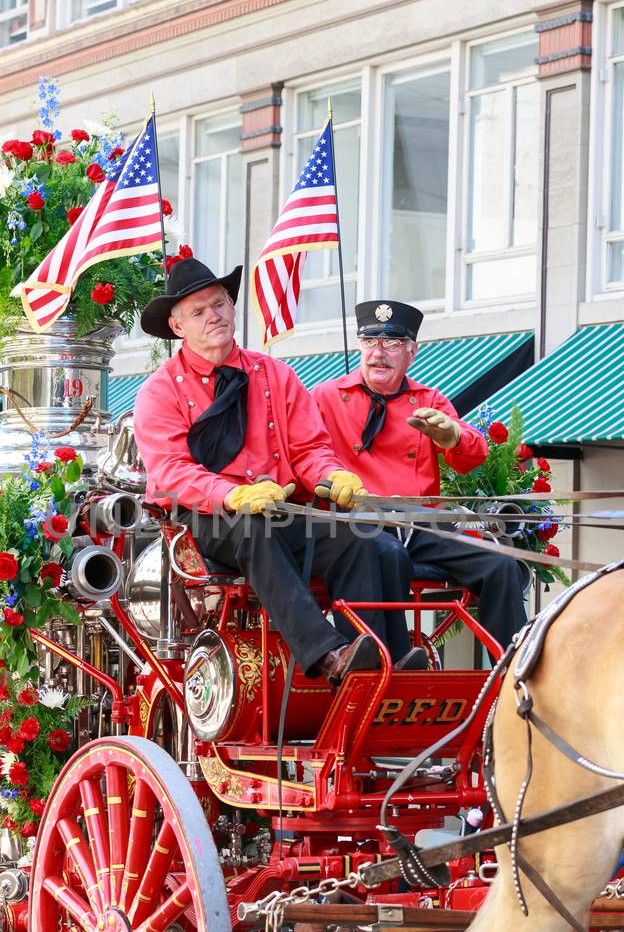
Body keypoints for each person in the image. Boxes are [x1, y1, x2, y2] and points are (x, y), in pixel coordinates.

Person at [131, 258, 422, 683]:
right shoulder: (158, 392)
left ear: (232, 308)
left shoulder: (276, 374)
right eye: (199, 311)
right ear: (178, 328)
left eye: (220, 304)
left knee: (363, 539)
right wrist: (231, 495)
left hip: (282, 509)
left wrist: (330, 475)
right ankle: (330, 655)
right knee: (254, 531)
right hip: (208, 518)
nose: (214, 315)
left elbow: (309, 449)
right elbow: (171, 471)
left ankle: (381, 662)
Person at [312, 300, 531, 650]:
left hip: (421, 526)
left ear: (411, 352)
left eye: (392, 343)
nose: (378, 353)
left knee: (501, 565)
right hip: (358, 526)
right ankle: (393, 660)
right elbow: (304, 452)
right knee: (387, 554)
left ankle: (511, 678)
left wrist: (453, 437)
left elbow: (473, 455)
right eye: (370, 342)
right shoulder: (327, 396)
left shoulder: (427, 398)